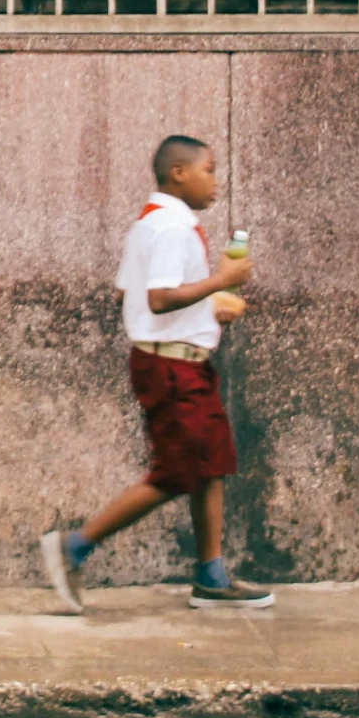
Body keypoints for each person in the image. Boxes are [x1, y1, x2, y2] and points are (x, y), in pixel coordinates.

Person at [40, 135, 274, 613]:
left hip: (178, 359)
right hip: (171, 367)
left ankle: (212, 576)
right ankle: (75, 546)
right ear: (178, 174)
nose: (216, 182)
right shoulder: (171, 228)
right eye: (209, 170)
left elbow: (129, 292)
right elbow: (159, 298)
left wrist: (207, 311)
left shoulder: (151, 223)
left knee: (212, 463)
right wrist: (220, 283)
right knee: (176, 471)